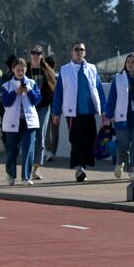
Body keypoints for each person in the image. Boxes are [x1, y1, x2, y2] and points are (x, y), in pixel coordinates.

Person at [51, 41, 103, 182]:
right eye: (76, 49)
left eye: (81, 49)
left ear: (85, 52)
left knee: (90, 139)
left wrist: (104, 109)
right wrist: (56, 112)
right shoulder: (65, 70)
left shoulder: (92, 68)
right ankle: (79, 168)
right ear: (72, 52)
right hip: (73, 112)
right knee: (76, 140)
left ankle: (84, 164)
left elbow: (98, 88)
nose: (79, 51)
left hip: (89, 111)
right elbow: (59, 93)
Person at [102, 52, 134, 179]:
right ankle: (120, 163)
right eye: (128, 62)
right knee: (123, 144)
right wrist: (109, 114)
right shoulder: (118, 78)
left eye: (133, 62)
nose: (130, 64)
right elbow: (112, 97)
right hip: (121, 118)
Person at [0, 56, 42, 186]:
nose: (20, 73)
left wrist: (28, 91)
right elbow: (6, 103)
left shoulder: (32, 83)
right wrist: (15, 92)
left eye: (23, 70)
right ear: (13, 70)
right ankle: (11, 173)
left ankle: (26, 177)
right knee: (12, 149)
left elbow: (37, 100)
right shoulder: (6, 85)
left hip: (29, 121)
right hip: (12, 122)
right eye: (18, 70)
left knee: (28, 149)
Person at [27, 45, 56, 179]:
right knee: (28, 137)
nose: (35, 55)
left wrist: (55, 111)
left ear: (42, 55)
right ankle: (27, 166)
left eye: (38, 53)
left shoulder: (46, 71)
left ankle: (36, 168)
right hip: (28, 108)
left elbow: (53, 91)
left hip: (43, 107)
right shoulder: (25, 69)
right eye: (33, 53)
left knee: (40, 138)